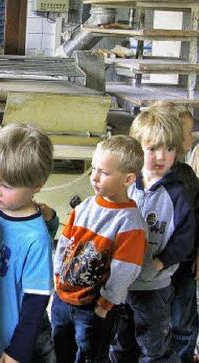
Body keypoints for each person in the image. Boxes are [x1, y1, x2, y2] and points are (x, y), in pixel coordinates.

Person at [51, 135, 147, 363]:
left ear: (128, 179)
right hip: (63, 300)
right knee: (59, 349)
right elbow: (65, 242)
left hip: (93, 308)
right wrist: (57, 277)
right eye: (94, 168)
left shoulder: (129, 223)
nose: (94, 177)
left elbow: (124, 270)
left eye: (104, 172)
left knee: (89, 355)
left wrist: (105, 305)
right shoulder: (85, 206)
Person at [110, 109, 195, 362]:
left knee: (154, 345)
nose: (161, 157)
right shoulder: (125, 183)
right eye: (152, 149)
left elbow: (185, 237)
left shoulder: (177, 193)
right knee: (119, 342)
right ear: (137, 149)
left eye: (169, 149)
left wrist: (160, 263)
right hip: (120, 284)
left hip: (153, 286)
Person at [0, 123, 54, 363]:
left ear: (37, 185)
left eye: (7, 186)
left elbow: (36, 300)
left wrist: (17, 350)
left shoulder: (35, 238)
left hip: (5, 341)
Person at [150, 102, 199, 362]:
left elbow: (197, 215)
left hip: (183, 265)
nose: (192, 137)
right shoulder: (141, 175)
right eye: (188, 132)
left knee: (182, 322)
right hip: (150, 268)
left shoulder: (187, 176)